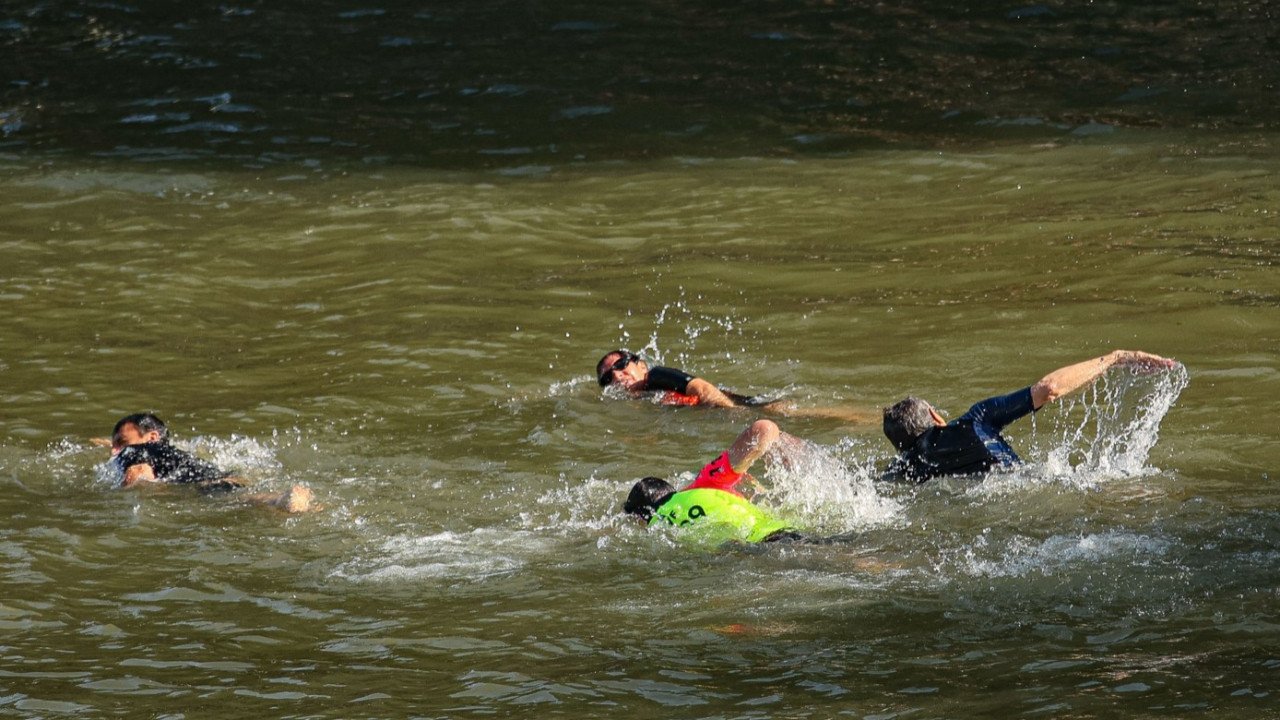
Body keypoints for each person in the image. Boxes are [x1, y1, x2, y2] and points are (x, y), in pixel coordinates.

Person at [881, 349, 1179, 483]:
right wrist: (1115, 358)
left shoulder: (907, 469)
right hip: (1036, 486)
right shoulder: (975, 421)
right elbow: (1049, 389)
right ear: (935, 416)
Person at [622, 419, 807, 544]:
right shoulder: (705, 483)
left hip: (756, 554)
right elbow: (763, 428)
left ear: (639, 518)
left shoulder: (660, 530)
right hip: (781, 536)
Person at [95, 413, 314, 512]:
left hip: (204, 486)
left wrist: (120, 495)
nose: (115, 451)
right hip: (223, 474)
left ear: (152, 436)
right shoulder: (173, 450)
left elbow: (139, 472)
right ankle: (299, 500)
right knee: (248, 494)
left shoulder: (133, 451)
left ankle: (284, 500)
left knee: (250, 501)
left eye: (120, 443)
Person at [596, 349, 777, 408]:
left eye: (620, 365)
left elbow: (700, 387)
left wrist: (734, 411)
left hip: (740, 406)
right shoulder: (647, 394)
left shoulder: (656, 376)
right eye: (607, 379)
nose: (617, 375)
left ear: (641, 365)